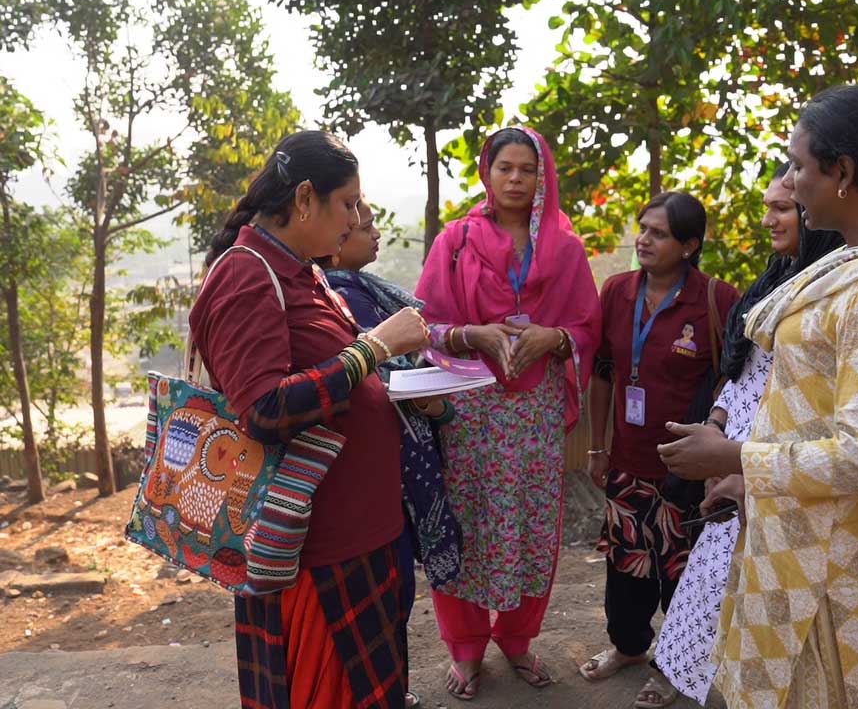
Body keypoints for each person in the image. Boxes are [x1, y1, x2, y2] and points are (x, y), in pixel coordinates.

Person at [658, 85, 858, 709]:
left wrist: (736, 458)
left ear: (843, 172)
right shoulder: (855, 269)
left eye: (799, 166)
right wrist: (746, 474)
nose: (791, 184)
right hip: (798, 541)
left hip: (828, 572)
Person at [189, 130, 430, 709]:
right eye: (347, 203)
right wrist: (373, 348)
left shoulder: (303, 269)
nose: (354, 219)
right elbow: (264, 408)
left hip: (360, 536)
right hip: (314, 557)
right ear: (304, 200)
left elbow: (331, 381)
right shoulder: (245, 274)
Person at [414, 126, 602, 700]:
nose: (517, 179)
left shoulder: (566, 251)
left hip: (533, 415)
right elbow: (424, 326)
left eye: (528, 169)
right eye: (506, 169)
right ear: (486, 174)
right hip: (471, 413)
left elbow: (587, 328)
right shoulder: (455, 243)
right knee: (467, 524)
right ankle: (466, 650)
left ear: (542, 177)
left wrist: (555, 338)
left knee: (533, 524)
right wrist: (472, 333)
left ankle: (518, 640)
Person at [653, 162, 844, 705]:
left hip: (780, 478)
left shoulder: (829, 298)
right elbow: (743, 376)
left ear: (817, 214)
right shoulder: (778, 281)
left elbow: (814, 409)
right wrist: (715, 429)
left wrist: (742, 466)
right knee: (719, 605)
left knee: (773, 627)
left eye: (782, 207)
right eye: (767, 207)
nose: (768, 220)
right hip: (736, 467)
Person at [579, 191, 740, 709]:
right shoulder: (617, 291)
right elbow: (604, 372)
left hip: (688, 470)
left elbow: (734, 385)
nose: (644, 240)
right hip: (628, 464)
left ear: (690, 245)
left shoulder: (717, 300)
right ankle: (628, 648)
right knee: (626, 571)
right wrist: (599, 446)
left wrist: (722, 464)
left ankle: (673, 671)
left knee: (683, 579)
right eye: (642, 228)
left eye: (660, 233)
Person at [320, 199, 464, 709]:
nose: (377, 234)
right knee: (387, 590)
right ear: (337, 244)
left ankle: (392, 688)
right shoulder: (339, 298)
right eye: (367, 227)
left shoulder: (367, 292)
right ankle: (383, 690)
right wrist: (425, 393)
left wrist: (432, 397)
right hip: (382, 469)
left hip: (400, 458)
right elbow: (376, 373)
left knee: (394, 590)